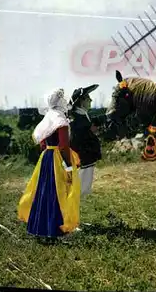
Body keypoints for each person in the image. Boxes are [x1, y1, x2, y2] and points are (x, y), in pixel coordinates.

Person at [18, 88, 80, 238]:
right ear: (60, 102)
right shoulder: (61, 121)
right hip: (57, 158)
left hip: (46, 158)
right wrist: (68, 167)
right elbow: (64, 146)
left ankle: (39, 227)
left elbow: (43, 145)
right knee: (58, 191)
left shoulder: (47, 119)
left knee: (44, 190)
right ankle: (55, 229)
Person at [69, 85, 102, 196]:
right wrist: (90, 130)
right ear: (82, 101)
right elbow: (76, 137)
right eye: (88, 98)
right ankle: (79, 196)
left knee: (87, 178)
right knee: (81, 180)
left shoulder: (82, 114)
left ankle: (83, 195)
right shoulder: (75, 117)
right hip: (82, 155)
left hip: (87, 155)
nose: (90, 100)